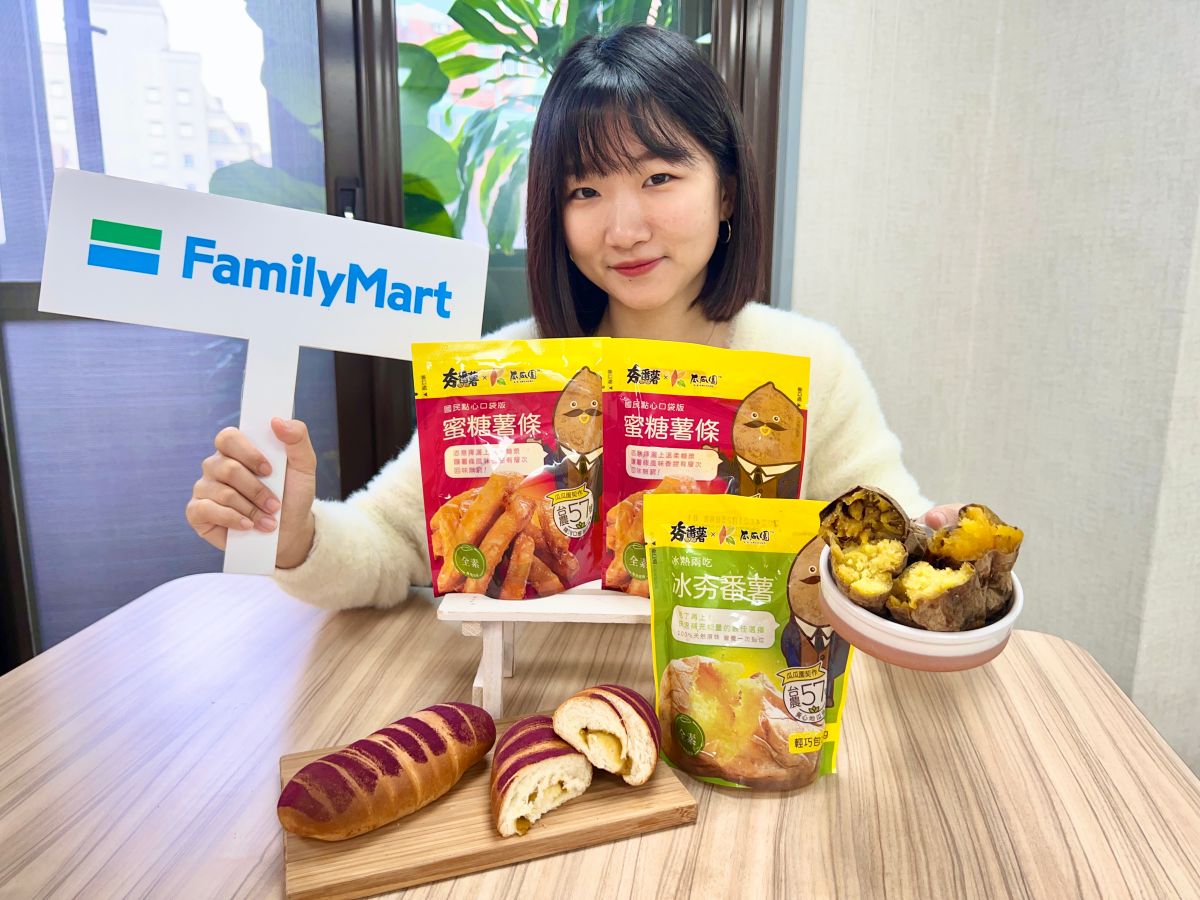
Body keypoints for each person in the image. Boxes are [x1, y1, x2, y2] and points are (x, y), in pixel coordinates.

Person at [185, 25, 959, 610]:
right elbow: (392, 542)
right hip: (537, 708)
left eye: (659, 177)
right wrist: (298, 535)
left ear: (725, 190)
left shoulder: (807, 365)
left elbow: (885, 535)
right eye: (584, 191)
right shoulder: (510, 371)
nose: (623, 229)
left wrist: (935, 550)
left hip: (736, 726)